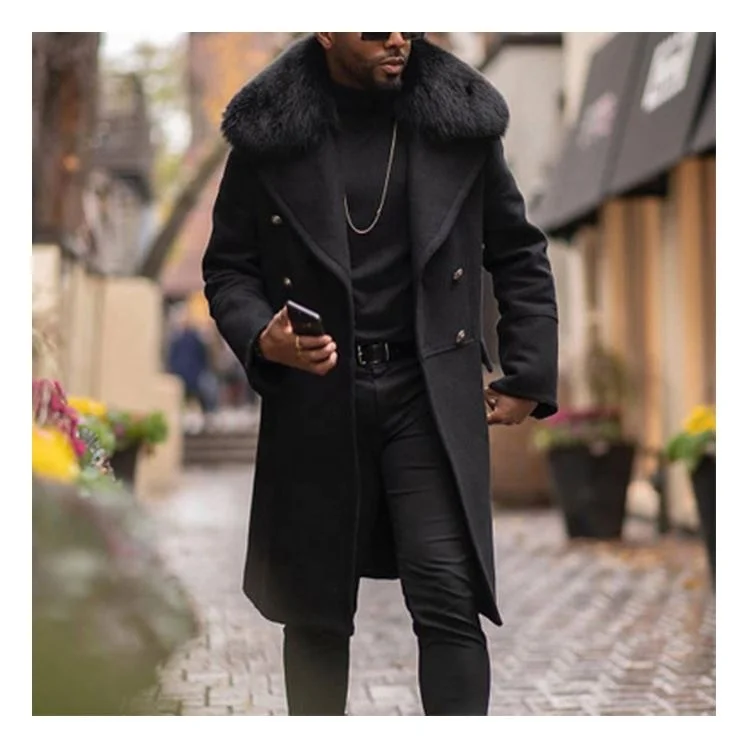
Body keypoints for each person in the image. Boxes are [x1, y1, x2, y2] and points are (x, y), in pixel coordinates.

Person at [202, 33, 558, 716]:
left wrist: (529, 371)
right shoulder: (267, 132)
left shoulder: (461, 121)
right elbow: (228, 268)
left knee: (449, 593)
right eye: (375, 27)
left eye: (407, 24)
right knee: (315, 610)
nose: (397, 38)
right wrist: (262, 336)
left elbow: (518, 251)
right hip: (317, 395)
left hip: (428, 394)